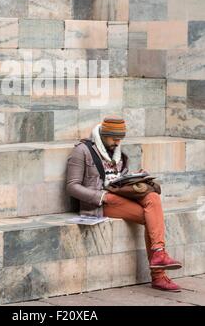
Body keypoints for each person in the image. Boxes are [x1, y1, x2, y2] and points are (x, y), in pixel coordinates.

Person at [66, 116, 183, 292]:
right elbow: (71, 187)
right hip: (101, 202)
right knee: (151, 216)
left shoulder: (118, 152)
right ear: (104, 134)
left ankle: (159, 253)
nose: (118, 142)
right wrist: (101, 197)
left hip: (120, 194)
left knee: (153, 198)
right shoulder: (82, 151)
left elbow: (119, 176)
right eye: (114, 138)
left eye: (121, 138)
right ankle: (158, 275)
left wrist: (135, 176)